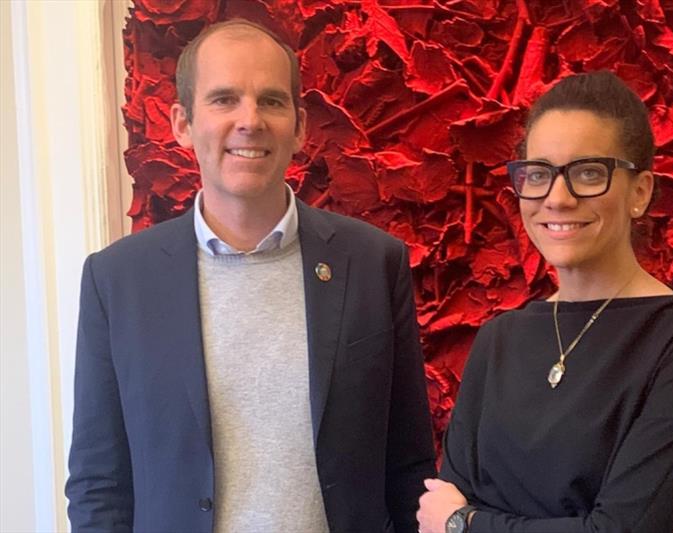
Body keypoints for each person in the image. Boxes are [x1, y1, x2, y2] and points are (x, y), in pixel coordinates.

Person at [66, 19, 435, 533]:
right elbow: (99, 484)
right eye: (223, 99)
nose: (250, 120)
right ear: (181, 122)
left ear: (300, 125)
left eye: (272, 100)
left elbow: (408, 466)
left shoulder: (373, 264)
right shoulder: (118, 281)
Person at [417, 71, 673, 533]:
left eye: (588, 173)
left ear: (639, 192)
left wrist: (465, 524)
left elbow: (621, 530)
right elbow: (453, 498)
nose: (557, 198)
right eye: (539, 174)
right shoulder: (499, 339)